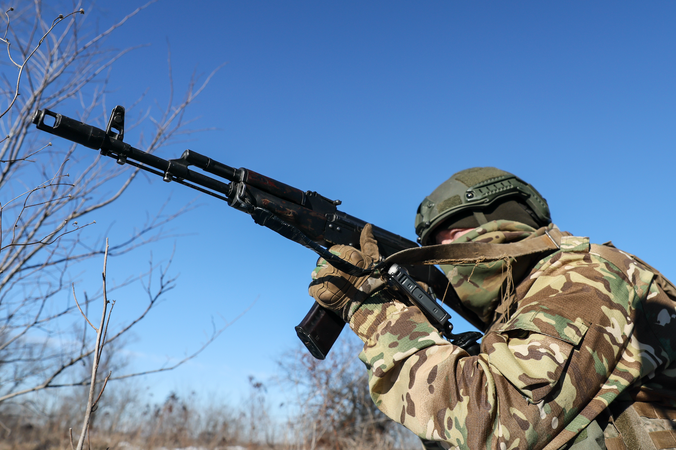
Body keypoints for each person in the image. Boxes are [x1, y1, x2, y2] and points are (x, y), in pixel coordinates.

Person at [309, 167, 676, 450]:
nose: (442, 252)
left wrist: (376, 312)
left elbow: (496, 423)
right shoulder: (519, 307)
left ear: (494, 219)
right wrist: (414, 316)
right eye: (431, 244)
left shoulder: (588, 275)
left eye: (448, 235)